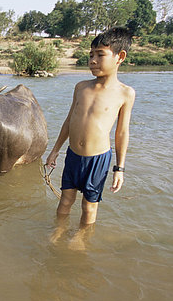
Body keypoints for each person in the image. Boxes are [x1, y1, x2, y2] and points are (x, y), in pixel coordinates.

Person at [44, 27, 135, 250]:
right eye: (90, 55)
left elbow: (122, 132)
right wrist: (56, 150)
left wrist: (119, 168)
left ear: (119, 57)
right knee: (65, 200)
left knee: (89, 205)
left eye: (100, 55)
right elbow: (69, 120)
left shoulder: (125, 93)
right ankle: (60, 229)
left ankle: (82, 237)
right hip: (73, 155)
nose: (93, 60)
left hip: (97, 159)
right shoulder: (81, 87)